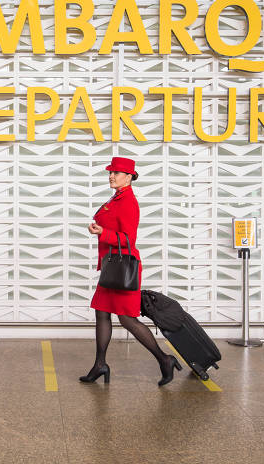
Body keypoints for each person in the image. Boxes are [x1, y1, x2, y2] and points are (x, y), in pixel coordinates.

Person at [80, 156, 182, 386]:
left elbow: (128, 239)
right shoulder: (116, 198)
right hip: (111, 266)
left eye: (117, 173)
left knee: (127, 319)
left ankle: (164, 359)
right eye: (110, 172)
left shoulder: (128, 202)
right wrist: (100, 229)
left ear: (129, 177)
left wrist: (101, 233)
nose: (111, 176)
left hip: (123, 269)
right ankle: (100, 365)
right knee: (101, 312)